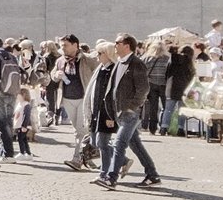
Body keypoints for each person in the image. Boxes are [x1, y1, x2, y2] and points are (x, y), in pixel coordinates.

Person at [90, 35, 150, 190]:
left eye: (117, 43)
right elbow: (112, 90)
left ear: (127, 45)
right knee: (135, 144)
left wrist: (132, 106)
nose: (115, 45)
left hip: (130, 112)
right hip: (118, 112)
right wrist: (111, 112)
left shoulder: (137, 64)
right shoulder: (119, 63)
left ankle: (111, 178)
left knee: (119, 143)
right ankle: (152, 174)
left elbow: (143, 89)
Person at [53, 35, 91, 165]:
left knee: (81, 131)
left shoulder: (87, 59)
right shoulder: (60, 61)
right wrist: (56, 75)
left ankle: (77, 159)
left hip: (83, 98)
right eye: (62, 45)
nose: (63, 48)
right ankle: (88, 156)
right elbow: (53, 75)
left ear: (75, 45)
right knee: (79, 130)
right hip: (67, 98)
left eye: (66, 45)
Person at [14, 86, 36, 157]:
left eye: (18, 94)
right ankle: (28, 153)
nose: (17, 96)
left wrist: (24, 126)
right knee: (24, 139)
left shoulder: (26, 105)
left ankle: (22, 152)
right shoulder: (19, 104)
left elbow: (26, 116)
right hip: (19, 125)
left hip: (23, 125)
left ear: (23, 95)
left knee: (20, 139)